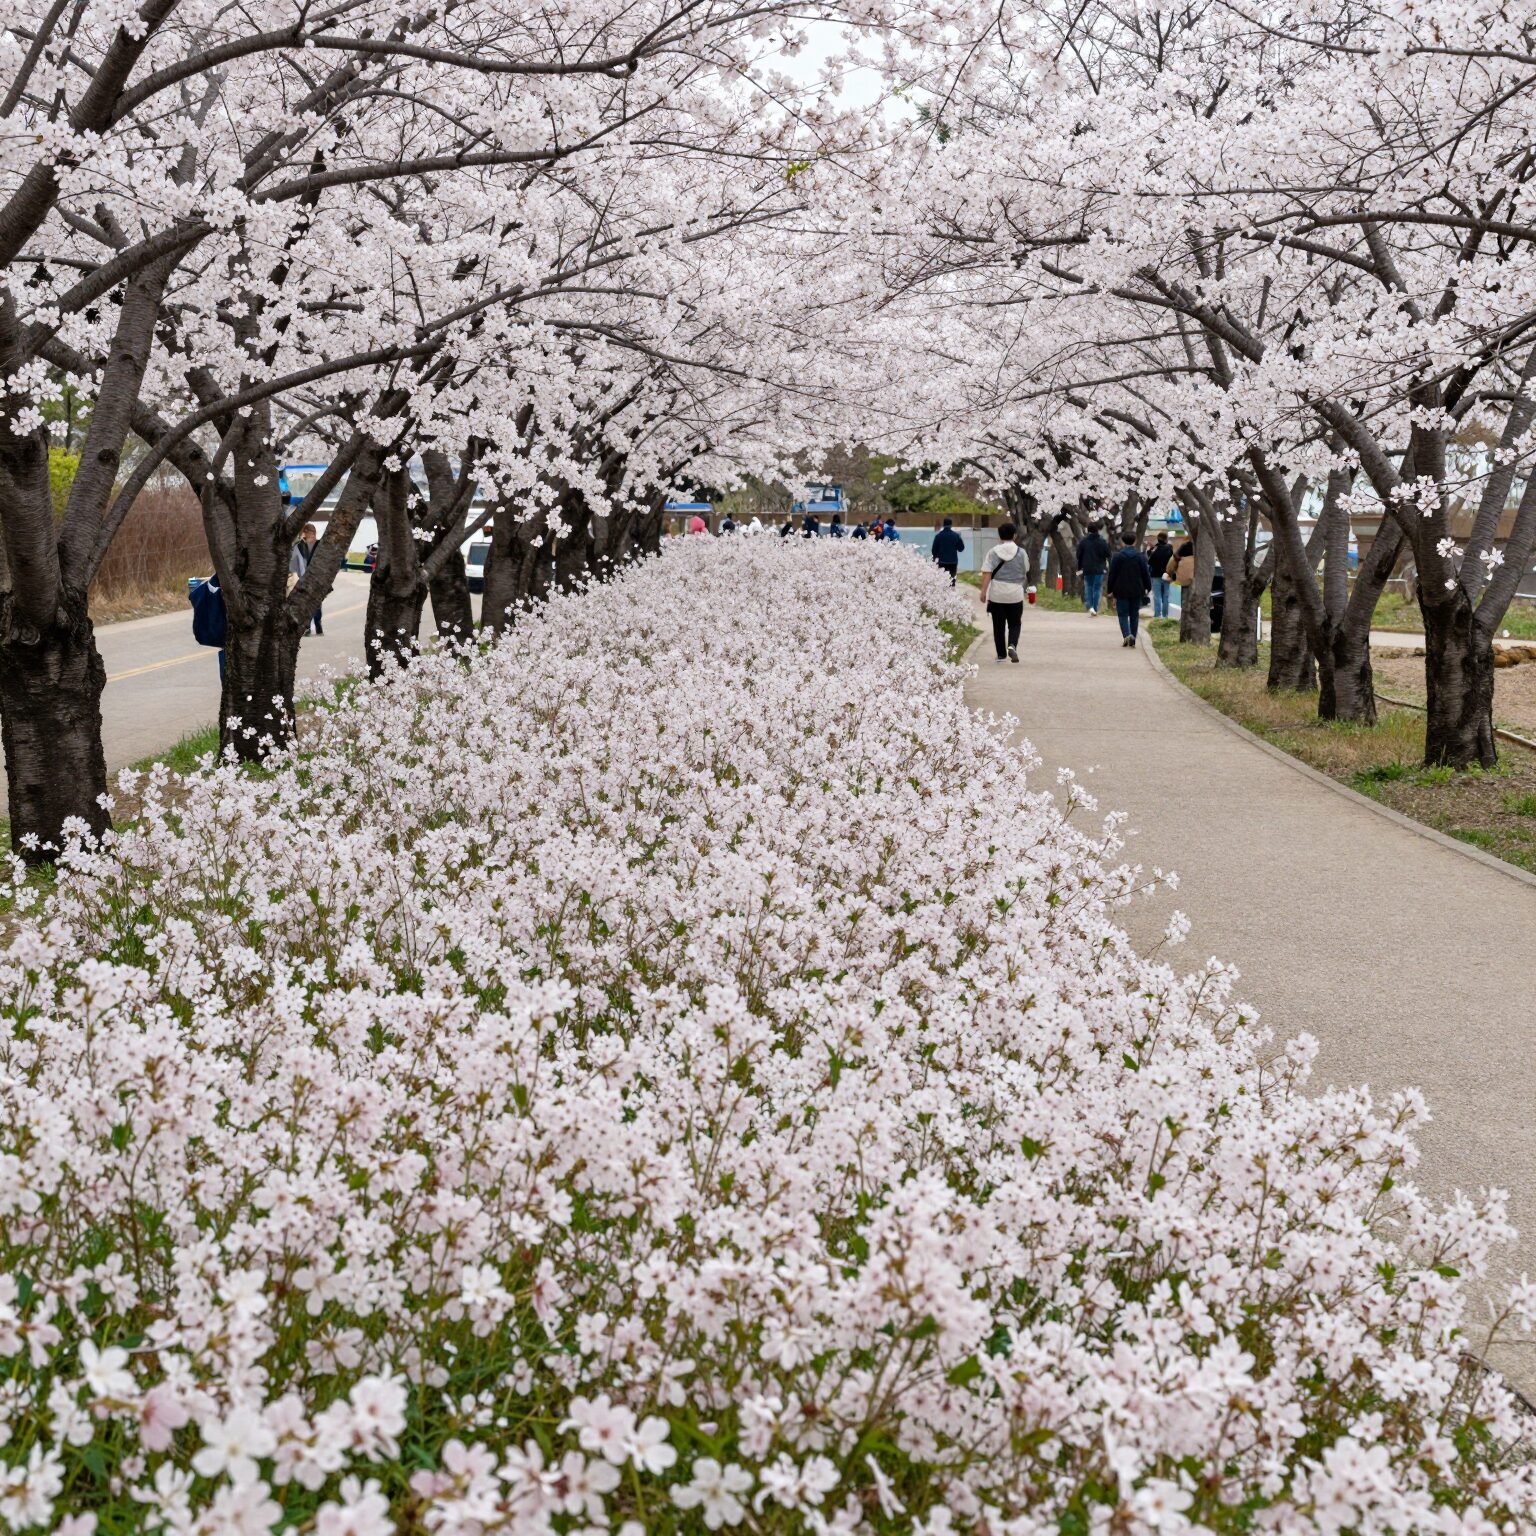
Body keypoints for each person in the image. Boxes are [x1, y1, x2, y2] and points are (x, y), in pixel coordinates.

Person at [979, 520, 1028, 663]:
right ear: (1014, 535)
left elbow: (987, 572)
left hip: (997, 593)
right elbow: (1026, 570)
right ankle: (1012, 645)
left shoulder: (993, 552)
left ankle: (1001, 655)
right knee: (1015, 623)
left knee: (998, 625)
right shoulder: (1022, 553)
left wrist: (983, 591)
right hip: (1015, 593)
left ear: (999, 536)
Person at [1106, 532, 1153, 647]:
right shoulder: (1140, 557)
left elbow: (1112, 574)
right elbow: (1145, 573)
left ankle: (1127, 635)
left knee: (1122, 614)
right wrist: (1148, 587)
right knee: (1134, 614)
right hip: (1137, 589)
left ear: (1122, 542)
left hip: (1120, 589)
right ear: (1135, 541)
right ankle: (1133, 636)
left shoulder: (1117, 557)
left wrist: (1109, 589)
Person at [289, 522, 322, 634]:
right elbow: (294, 561)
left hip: (316, 577)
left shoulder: (320, 544)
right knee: (308, 602)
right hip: (305, 577)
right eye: (308, 533)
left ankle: (317, 626)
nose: (311, 535)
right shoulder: (300, 546)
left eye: (311, 533)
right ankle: (310, 627)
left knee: (315, 603)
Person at [1075, 520, 1110, 615]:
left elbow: (1078, 555)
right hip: (1099, 569)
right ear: (1098, 530)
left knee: (1088, 587)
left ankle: (1089, 606)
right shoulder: (1102, 541)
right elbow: (1108, 554)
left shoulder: (1083, 542)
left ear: (1088, 530)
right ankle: (1095, 607)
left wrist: (1080, 566)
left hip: (1087, 568)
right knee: (1097, 588)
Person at [931, 517, 965, 585]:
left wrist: (935, 559)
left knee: (942, 582)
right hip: (953, 562)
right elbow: (961, 548)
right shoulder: (956, 536)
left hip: (941, 562)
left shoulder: (938, 536)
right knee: (952, 581)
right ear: (951, 525)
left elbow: (933, 550)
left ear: (943, 525)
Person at [1148, 530, 1174, 617]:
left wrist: (1150, 551)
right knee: (1166, 596)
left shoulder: (1154, 549)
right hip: (1167, 574)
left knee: (1157, 596)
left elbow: (1150, 562)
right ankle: (1165, 615)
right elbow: (1173, 561)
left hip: (1155, 574)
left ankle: (1157, 615)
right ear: (1166, 539)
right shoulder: (1170, 548)